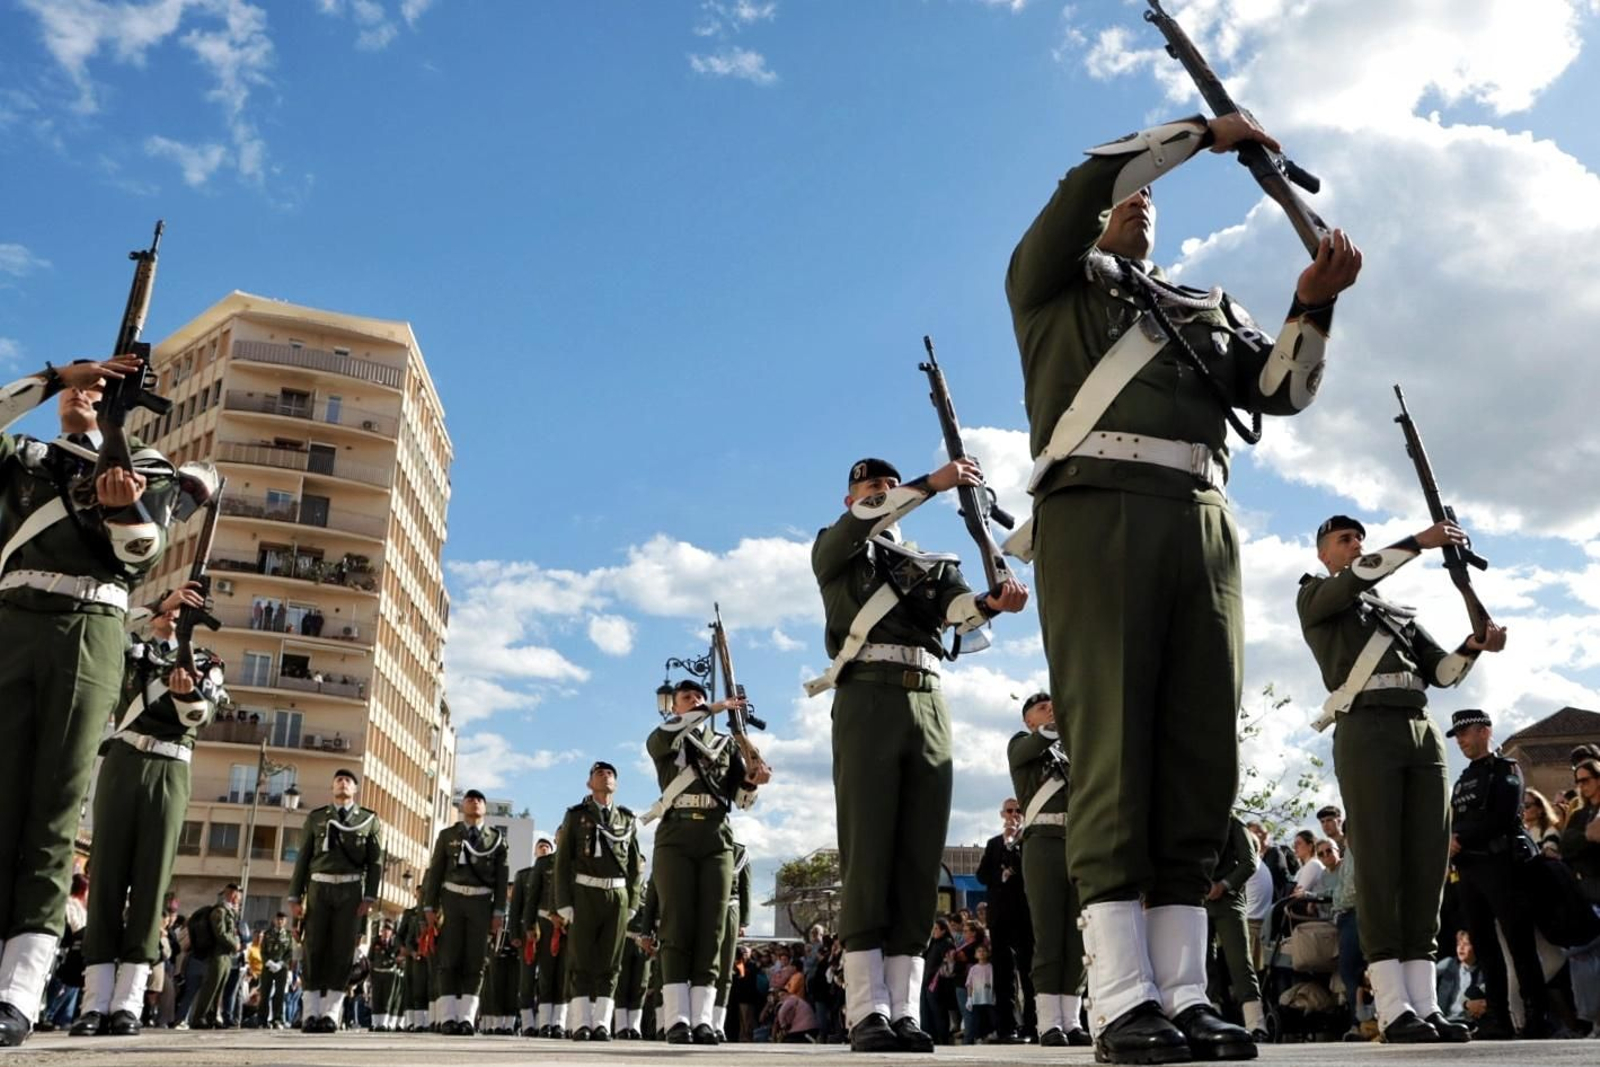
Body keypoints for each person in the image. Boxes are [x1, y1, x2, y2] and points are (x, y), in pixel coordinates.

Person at [1009, 106, 1362, 1064]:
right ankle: (1122, 996)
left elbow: (1281, 391)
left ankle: (1185, 992)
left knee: (1198, 756)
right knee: (1116, 741)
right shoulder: (1053, 285)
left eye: (1152, 199)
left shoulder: (1205, 308)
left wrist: (1312, 300)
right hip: (1100, 511)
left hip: (1204, 523)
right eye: (1132, 195)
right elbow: (1090, 179)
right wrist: (1203, 133)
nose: (1141, 204)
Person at [0, 355, 191, 1047]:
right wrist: (53, 374)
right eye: (79, 384)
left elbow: (143, 550)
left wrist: (119, 505)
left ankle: (20, 985)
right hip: (10, 617)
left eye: (97, 387)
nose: (83, 394)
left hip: (89, 626)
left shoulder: (149, 465)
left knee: (53, 802)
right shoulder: (25, 453)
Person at [809, 455, 1028, 1052]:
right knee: (870, 846)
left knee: (917, 856)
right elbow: (869, 519)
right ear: (852, 497)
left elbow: (956, 612)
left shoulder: (931, 564)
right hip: (868, 697)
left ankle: (904, 1010)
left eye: (886, 482)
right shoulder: (837, 546)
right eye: (869, 486)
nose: (880, 491)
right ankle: (866, 1010)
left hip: (929, 698)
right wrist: (934, 483)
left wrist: (992, 604)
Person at [1298, 513, 1506, 1042]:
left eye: (1359, 539)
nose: (1355, 545)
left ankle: (1426, 1004)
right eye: (1344, 540)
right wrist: (1419, 542)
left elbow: (1442, 675)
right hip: (1365, 727)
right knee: (1381, 862)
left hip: (1419, 728)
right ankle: (1392, 1006)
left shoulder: (1395, 616)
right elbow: (1360, 577)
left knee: (1425, 863)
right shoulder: (1318, 596)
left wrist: (1474, 645)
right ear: (1324, 554)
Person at [72, 583, 221, 1037]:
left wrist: (184, 693)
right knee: (107, 878)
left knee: (151, 883)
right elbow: (106, 625)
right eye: (173, 610)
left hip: (170, 768)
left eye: (184, 612)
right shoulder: (133, 647)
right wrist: (163, 601)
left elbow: (204, 714)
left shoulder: (205, 661)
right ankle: (94, 1001)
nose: (174, 617)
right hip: (122, 762)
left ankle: (128, 1002)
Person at [646, 678, 766, 1044]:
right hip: (676, 833)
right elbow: (662, 738)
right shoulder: (666, 737)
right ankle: (677, 1018)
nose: (696, 700)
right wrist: (712, 708)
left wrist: (753, 781)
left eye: (699, 696)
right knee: (677, 923)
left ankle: (702, 1018)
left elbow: (740, 802)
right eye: (687, 698)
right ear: (675, 707)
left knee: (713, 927)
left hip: (716, 834)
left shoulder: (725, 745)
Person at [1448, 710, 1547, 1038]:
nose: (1460, 740)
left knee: (1519, 945)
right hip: (1469, 871)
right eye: (1458, 736)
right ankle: (1498, 1018)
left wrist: (1460, 839)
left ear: (1485, 732)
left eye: (1465, 733)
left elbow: (1504, 816)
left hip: (1500, 866)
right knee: (1485, 948)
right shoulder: (1462, 779)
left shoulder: (1506, 769)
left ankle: (1536, 1017)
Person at [1006, 693, 1088, 1047]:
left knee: (1078, 934)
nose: (1051, 709)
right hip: (1042, 843)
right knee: (1049, 933)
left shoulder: (1073, 751)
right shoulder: (1023, 743)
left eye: (1054, 705)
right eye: (1042, 708)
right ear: (1028, 720)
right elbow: (1029, 750)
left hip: (1077, 840)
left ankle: (1072, 1019)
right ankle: (1048, 1021)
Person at [286, 768, 382, 1032]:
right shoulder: (316, 818)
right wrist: (295, 897)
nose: (343, 783)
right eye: (338, 780)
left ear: (355, 789)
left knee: (341, 951)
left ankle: (330, 1013)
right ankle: (311, 1012)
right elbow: (303, 859)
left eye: (348, 781)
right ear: (332, 787)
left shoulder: (368, 820)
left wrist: (370, 897)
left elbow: (375, 863)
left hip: (350, 892)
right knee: (314, 949)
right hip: (318, 888)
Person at [554, 761, 644, 1041]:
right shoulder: (576, 815)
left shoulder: (627, 819)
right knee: (581, 960)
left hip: (617, 895)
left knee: (610, 962)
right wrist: (564, 902)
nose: (605, 776)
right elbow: (562, 862)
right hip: (584, 892)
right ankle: (582, 1022)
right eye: (599, 773)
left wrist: (632, 902)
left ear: (615, 784)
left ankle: (602, 1022)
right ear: (589, 783)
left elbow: (634, 866)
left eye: (610, 774)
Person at [423, 788, 509, 1035]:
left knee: (476, 960)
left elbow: (502, 880)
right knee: (449, 959)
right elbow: (435, 872)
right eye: (470, 799)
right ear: (463, 807)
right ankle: (448, 1016)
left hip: (481, 903)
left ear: (485, 808)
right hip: (452, 900)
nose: (474, 803)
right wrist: (430, 906)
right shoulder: (448, 835)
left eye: (480, 800)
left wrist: (499, 912)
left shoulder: (496, 839)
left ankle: (467, 1017)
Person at [975, 796, 1034, 1043]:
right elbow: (981, 875)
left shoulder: (1029, 842)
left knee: (1027, 971)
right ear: (1002, 814)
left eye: (1018, 810)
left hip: (1022, 916)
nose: (1013, 815)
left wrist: (1013, 847)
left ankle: (1032, 1025)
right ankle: (1005, 1027)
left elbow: (1026, 872)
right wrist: (1000, 872)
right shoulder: (992, 844)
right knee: (1002, 975)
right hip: (999, 918)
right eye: (1009, 810)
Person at [1207, 816, 1266, 1038]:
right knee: (1204, 965)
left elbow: (1249, 862)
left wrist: (1224, 885)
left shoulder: (1233, 822)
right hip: (1199, 901)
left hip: (1228, 903)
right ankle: (1211, 1019)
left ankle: (1256, 1024)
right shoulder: (1191, 819)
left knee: (1240, 963)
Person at [521, 835, 566, 1036]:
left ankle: (559, 1022)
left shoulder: (580, 863)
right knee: (547, 973)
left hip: (571, 925)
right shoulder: (544, 863)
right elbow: (532, 898)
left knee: (565, 975)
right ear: (557, 839)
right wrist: (529, 924)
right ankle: (545, 1022)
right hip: (546, 924)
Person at [187, 885, 241, 1029]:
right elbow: (220, 933)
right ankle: (199, 1017)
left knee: (220, 987)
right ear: (232, 894)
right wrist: (234, 944)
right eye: (237, 894)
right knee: (211, 986)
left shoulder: (230, 912)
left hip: (226, 955)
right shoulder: (219, 911)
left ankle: (212, 1017)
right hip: (217, 954)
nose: (239, 898)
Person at [714, 838, 752, 1040]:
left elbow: (745, 887)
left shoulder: (739, 852)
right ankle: (699, 1019)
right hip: (705, 911)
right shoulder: (702, 844)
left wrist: (743, 922)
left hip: (730, 911)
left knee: (725, 971)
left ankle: (717, 1023)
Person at [508, 848, 539, 1036]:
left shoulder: (560, 872)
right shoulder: (524, 876)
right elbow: (515, 907)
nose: (544, 849)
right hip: (526, 933)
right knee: (526, 979)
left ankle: (548, 1022)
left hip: (551, 933)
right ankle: (527, 1023)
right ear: (534, 852)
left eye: (547, 847)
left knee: (549, 980)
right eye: (540, 847)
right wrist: (514, 934)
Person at [394, 885, 428, 1032]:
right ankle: (410, 1022)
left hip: (427, 955)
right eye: (418, 895)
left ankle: (424, 1022)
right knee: (410, 988)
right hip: (411, 954)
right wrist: (403, 948)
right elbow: (400, 935)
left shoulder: (431, 914)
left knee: (424, 989)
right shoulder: (410, 913)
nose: (420, 897)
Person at [366, 920, 403, 1032]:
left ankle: (384, 1023)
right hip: (377, 972)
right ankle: (375, 1022)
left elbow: (399, 956)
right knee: (376, 998)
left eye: (388, 930)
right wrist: (369, 974)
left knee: (387, 999)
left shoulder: (395, 943)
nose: (385, 932)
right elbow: (370, 958)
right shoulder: (375, 942)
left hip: (389, 973)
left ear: (392, 932)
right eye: (384, 929)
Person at [258, 913, 293, 1030]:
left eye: (282, 920)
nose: (280, 922)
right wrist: (268, 962)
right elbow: (262, 951)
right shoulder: (267, 934)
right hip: (268, 967)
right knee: (265, 994)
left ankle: (277, 1019)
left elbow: (290, 952)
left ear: (285, 921)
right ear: (274, 920)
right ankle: (262, 1020)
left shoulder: (288, 935)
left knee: (279, 995)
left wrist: (281, 963)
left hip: (281, 968)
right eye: (278, 919)